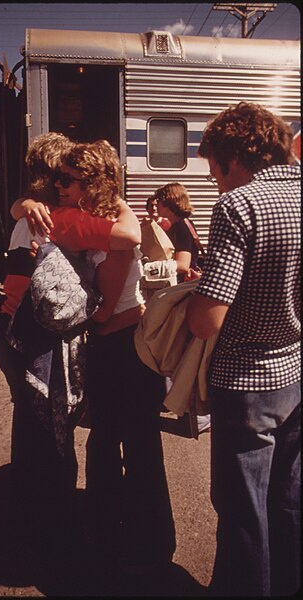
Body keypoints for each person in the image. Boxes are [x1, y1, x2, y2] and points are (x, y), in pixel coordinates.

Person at [0, 134, 140, 551]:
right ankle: (53, 527)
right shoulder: (59, 219)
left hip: (12, 333)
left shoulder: (30, 216)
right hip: (39, 340)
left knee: (31, 432)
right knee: (54, 434)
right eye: (59, 176)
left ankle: (28, 520)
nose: (62, 184)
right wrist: (120, 201)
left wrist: (22, 203)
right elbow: (129, 236)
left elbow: (17, 210)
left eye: (69, 178)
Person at [186, 101, 301, 596]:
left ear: (233, 157)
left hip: (247, 383)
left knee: (242, 510)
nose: (216, 183)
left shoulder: (240, 205)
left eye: (214, 172)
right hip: (297, 372)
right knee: (288, 500)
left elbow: (208, 320)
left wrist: (187, 302)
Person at [51, 147, 177, 574]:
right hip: (126, 347)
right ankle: (145, 537)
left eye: (68, 179)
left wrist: (74, 316)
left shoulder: (114, 235)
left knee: (117, 442)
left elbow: (105, 311)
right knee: (130, 442)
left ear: (91, 185)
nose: (59, 186)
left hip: (120, 347)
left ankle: (128, 537)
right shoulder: (106, 219)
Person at [155, 183, 204, 282]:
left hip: (183, 284)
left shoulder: (181, 226)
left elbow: (183, 265)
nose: (156, 204)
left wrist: (152, 268)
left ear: (168, 202)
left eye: (159, 200)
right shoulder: (177, 225)